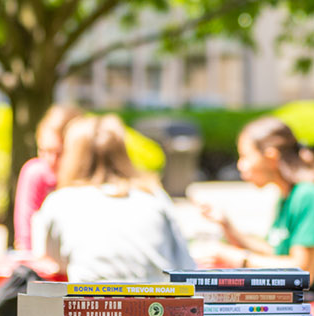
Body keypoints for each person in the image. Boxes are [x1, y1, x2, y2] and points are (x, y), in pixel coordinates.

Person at [193, 117, 314, 299]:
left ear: (271, 157)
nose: (240, 165)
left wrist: (239, 259)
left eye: (245, 156)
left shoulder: (307, 195)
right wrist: (228, 227)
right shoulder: (288, 196)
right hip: (306, 296)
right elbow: (276, 253)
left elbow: (302, 273)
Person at [30, 114, 196, 282]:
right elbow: (185, 264)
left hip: (91, 302)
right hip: (156, 303)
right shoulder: (154, 195)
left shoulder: (60, 201)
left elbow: (50, 258)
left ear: (72, 156)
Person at [13, 104, 82, 251]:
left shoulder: (88, 180)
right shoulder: (36, 174)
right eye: (43, 151)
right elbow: (25, 238)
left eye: (59, 153)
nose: (50, 160)